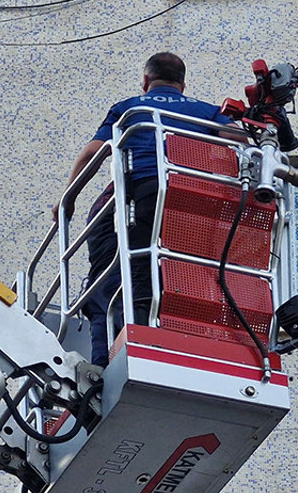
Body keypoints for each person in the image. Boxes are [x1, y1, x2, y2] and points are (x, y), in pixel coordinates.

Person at [56, 52, 236, 366]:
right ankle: (172, 339)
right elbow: (238, 138)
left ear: (145, 81)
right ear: (182, 84)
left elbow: (92, 154)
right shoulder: (208, 112)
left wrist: (67, 200)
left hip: (136, 198)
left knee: (108, 280)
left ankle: (106, 359)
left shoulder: (130, 108)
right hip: (188, 205)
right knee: (172, 272)